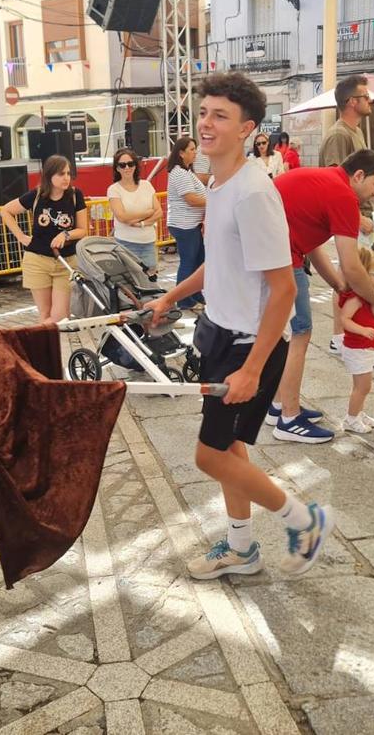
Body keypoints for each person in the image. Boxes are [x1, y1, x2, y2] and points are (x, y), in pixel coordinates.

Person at [148, 72, 333, 580]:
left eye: (220, 116)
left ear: (247, 128)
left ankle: (305, 521)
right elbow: (221, 263)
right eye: (204, 113)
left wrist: (252, 369)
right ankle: (242, 548)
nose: (206, 124)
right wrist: (170, 296)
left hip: (248, 347)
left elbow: (284, 288)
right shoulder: (218, 184)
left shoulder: (253, 192)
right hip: (220, 334)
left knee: (209, 457)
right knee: (229, 449)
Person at [269, 150, 374, 443]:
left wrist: (338, 285)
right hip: (280, 258)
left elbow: (311, 244)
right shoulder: (343, 195)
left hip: (275, 252)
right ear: (358, 175)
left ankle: (279, 404)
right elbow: (352, 264)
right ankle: (289, 419)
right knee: (300, 333)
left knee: (285, 334)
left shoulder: (326, 181)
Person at [319, 74, 374, 355]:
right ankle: (339, 337)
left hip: (361, 214)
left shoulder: (355, 131)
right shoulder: (339, 135)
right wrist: (356, 216)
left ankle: (347, 336)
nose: (369, 100)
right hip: (352, 216)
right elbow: (334, 182)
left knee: (362, 274)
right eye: (365, 96)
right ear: (351, 102)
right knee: (349, 278)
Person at [1, 155, 87, 323]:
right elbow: (6, 211)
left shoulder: (75, 195)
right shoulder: (37, 195)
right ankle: (43, 338)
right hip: (37, 260)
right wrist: (21, 236)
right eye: (61, 174)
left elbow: (83, 230)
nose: (66, 178)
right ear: (49, 175)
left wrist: (65, 234)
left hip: (65, 261)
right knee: (45, 314)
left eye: (68, 173)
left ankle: (34, 335)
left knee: (60, 317)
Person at [339, 247, 374, 433]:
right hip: (357, 348)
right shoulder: (356, 298)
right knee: (363, 387)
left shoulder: (364, 297)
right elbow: (344, 319)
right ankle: (351, 419)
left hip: (363, 348)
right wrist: (362, 330)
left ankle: (358, 413)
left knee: (362, 386)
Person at [106, 147, 162, 279]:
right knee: (130, 281)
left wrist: (141, 223)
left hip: (148, 242)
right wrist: (147, 213)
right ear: (117, 168)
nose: (127, 168)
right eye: (122, 165)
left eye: (130, 164)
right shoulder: (114, 189)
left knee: (150, 281)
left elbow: (159, 212)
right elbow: (122, 217)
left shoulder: (146, 185)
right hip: (126, 243)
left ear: (135, 166)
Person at [166, 137, 206, 311]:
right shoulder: (179, 173)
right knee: (188, 262)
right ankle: (183, 300)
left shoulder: (186, 172)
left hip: (192, 224)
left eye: (195, 149)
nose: (195, 152)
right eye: (191, 149)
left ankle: (195, 294)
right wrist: (214, 201)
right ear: (181, 153)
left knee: (198, 261)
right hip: (184, 225)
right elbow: (191, 199)